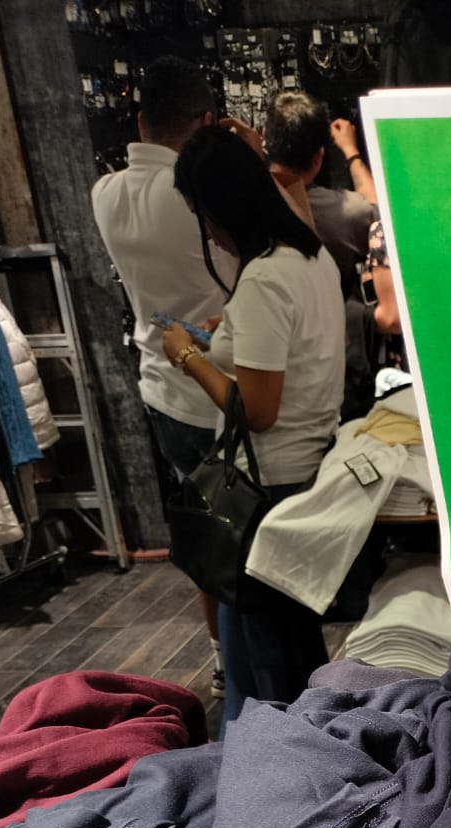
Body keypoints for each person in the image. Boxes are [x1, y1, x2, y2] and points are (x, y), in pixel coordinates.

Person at [160, 124, 345, 726]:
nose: (207, 231)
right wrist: (232, 333)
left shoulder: (264, 278)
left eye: (201, 215)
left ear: (220, 209)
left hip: (265, 490)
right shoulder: (310, 257)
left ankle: (280, 764)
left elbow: (258, 413)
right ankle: (269, 758)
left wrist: (187, 356)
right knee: (276, 651)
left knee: (270, 667)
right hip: (304, 470)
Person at [91, 55, 235, 695]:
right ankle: (260, 663)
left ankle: (222, 655)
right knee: (252, 539)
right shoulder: (196, 195)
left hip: (161, 385)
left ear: (141, 120)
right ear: (204, 121)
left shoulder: (105, 194)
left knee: (205, 537)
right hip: (223, 383)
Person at [262, 91, 376, 298]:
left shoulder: (245, 204)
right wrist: (351, 151)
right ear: (318, 157)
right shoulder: (348, 213)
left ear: (264, 138)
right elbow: (377, 215)